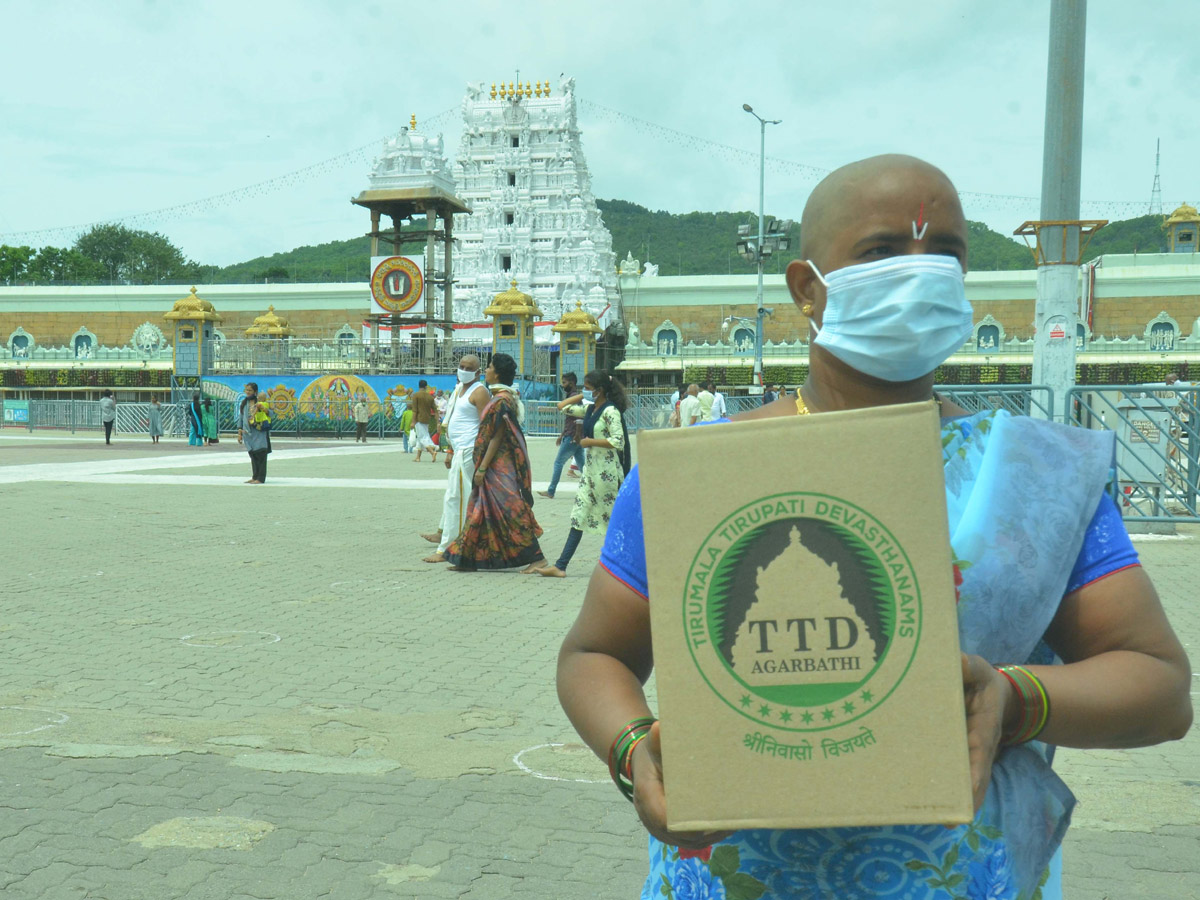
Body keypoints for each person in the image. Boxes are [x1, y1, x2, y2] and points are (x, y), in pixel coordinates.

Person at [556, 154, 1192, 900]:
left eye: (946, 253)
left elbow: (1161, 688)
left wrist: (1016, 700)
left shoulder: (1034, 475)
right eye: (882, 251)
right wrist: (635, 752)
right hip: (735, 878)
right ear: (806, 289)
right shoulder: (703, 471)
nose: (920, 273)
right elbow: (595, 652)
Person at [444, 352, 546, 572]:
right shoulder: (501, 397)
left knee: (512, 510)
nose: (486, 371)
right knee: (480, 509)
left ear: (497, 373)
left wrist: (482, 467)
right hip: (492, 465)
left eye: (489, 367)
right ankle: (466, 558)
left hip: (498, 467)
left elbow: (496, 437)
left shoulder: (500, 401)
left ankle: (537, 558)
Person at [535, 369, 630, 578]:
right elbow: (563, 408)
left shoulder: (610, 411)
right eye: (584, 389)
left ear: (600, 389)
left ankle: (624, 568)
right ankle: (561, 565)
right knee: (578, 516)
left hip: (607, 475)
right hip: (590, 474)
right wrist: (582, 394)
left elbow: (618, 441)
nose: (585, 392)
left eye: (588, 389)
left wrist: (589, 442)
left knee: (612, 521)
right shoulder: (591, 409)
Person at [422, 355, 492, 563]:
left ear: (478, 372)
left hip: (469, 451)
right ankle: (446, 535)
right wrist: (450, 450)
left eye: (468, 368)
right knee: (454, 496)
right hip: (459, 449)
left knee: (458, 499)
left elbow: (486, 426)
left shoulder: (479, 392)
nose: (463, 370)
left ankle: (449, 547)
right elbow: (451, 418)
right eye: (461, 366)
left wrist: (481, 458)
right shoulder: (459, 389)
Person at [538, 371, 588, 500]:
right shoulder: (572, 396)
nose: (562, 385)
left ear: (571, 383)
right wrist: (561, 435)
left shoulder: (574, 398)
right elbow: (571, 420)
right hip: (573, 435)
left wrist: (576, 436)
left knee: (558, 463)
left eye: (564, 382)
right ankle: (591, 489)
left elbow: (578, 418)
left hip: (572, 436)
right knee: (583, 466)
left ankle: (551, 491)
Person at [241, 395, 272, 484]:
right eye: (246, 390)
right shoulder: (245, 403)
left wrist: (264, 409)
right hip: (248, 434)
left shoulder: (262, 404)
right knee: (253, 455)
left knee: (261, 454)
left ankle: (261, 478)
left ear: (255, 392)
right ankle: (255, 476)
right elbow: (242, 417)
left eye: (250, 390)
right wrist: (239, 430)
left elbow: (272, 413)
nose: (247, 392)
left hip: (260, 432)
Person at [411, 379, 439, 462]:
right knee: (421, 437)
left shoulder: (416, 395)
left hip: (419, 419)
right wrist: (438, 422)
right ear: (426, 386)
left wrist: (413, 422)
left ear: (419, 386)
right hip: (427, 419)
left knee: (422, 438)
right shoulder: (430, 397)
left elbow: (415, 410)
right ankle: (418, 457)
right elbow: (435, 410)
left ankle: (432, 452)